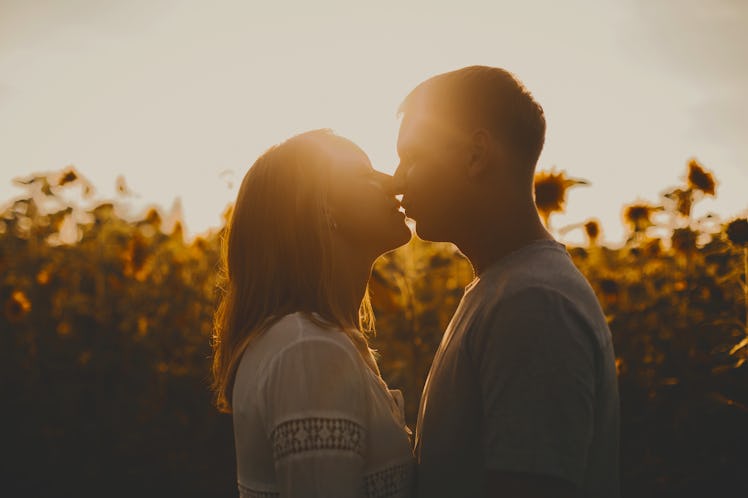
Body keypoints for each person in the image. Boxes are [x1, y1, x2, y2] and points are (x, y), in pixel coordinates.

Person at [394, 66, 620, 498]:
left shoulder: (533, 303)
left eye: (413, 157)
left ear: (476, 155)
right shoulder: (506, 286)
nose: (398, 180)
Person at [211, 129, 415, 497]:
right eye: (364, 175)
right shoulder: (308, 352)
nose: (392, 183)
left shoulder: (307, 341)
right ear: (322, 206)